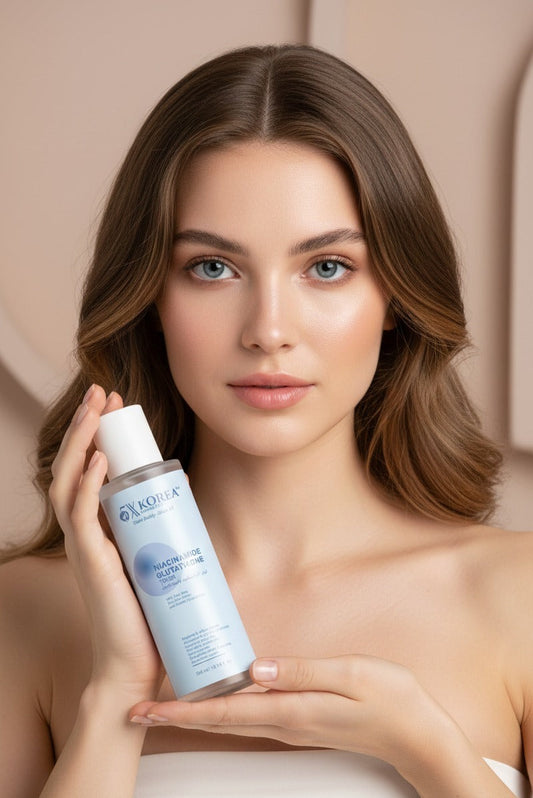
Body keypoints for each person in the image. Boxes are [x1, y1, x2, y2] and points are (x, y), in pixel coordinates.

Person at [0, 44, 531, 798]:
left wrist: (425, 746)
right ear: (151, 298)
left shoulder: (519, 594)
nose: (268, 330)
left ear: (394, 298)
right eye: (212, 268)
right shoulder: (24, 612)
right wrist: (116, 690)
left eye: (327, 267)